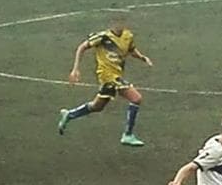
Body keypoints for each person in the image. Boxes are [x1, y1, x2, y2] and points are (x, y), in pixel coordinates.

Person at [57, 13, 153, 146]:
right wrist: (75, 69)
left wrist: (142, 57)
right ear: (111, 24)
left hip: (117, 75)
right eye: (116, 22)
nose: (119, 25)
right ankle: (128, 134)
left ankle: (69, 115)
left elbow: (132, 50)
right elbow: (82, 47)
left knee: (97, 106)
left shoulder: (128, 36)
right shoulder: (102, 37)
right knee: (136, 98)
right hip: (107, 76)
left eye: (121, 22)